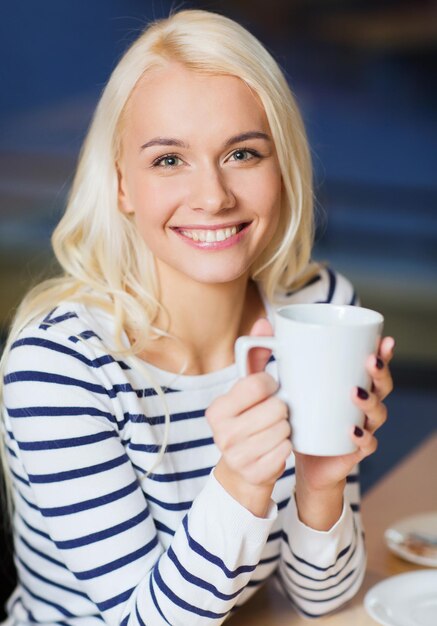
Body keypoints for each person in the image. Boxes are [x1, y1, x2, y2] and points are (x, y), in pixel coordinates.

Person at [0, 9, 395, 626]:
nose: (213, 196)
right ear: (122, 185)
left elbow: (320, 596)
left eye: (242, 153)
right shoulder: (61, 366)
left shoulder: (318, 313)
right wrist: (240, 480)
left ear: (283, 169)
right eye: (168, 160)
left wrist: (322, 479)